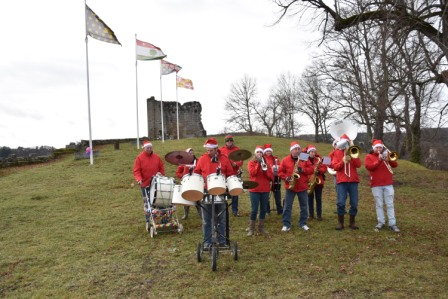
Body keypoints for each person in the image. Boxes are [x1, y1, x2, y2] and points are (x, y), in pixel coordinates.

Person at [194, 137, 234, 247]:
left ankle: (222, 241)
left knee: (222, 219)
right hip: (207, 191)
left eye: (211, 150)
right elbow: (197, 173)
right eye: (207, 150)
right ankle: (207, 242)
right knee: (207, 219)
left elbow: (230, 173)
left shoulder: (224, 159)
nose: (209, 152)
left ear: (216, 149)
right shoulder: (202, 159)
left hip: (221, 191)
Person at [364, 139, 400, 232]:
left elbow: (395, 165)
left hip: (388, 183)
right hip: (376, 184)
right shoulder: (369, 156)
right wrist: (379, 161)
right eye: (377, 147)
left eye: (380, 147)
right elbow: (369, 167)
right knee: (379, 204)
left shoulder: (386, 155)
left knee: (390, 204)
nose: (379, 149)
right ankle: (381, 222)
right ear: (374, 148)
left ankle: (392, 224)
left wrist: (389, 159)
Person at [278, 141, 314, 232]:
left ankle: (303, 223)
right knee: (287, 206)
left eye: (298, 149)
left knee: (304, 206)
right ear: (291, 150)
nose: (297, 150)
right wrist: (286, 178)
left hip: (302, 186)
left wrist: (303, 169)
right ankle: (286, 224)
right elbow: (280, 172)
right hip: (290, 186)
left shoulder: (305, 158)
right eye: (295, 149)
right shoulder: (285, 160)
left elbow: (311, 169)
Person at [331, 134, 361, 230]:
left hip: (353, 180)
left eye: (347, 142)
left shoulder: (353, 151)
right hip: (342, 180)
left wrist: (352, 155)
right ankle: (340, 223)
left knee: (354, 202)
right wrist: (342, 162)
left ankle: (352, 222)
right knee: (341, 202)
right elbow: (335, 167)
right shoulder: (336, 152)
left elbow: (359, 165)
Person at [133, 140, 165, 232]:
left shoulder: (157, 157)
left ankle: (163, 219)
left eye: (150, 147)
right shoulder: (139, 158)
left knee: (160, 202)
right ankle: (149, 220)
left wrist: (161, 175)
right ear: (144, 148)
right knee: (148, 203)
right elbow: (136, 171)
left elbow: (161, 168)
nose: (149, 149)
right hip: (145, 184)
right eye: (147, 148)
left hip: (156, 184)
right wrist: (139, 179)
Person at [247, 146, 274, 236]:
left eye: (261, 152)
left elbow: (271, 177)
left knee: (263, 209)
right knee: (254, 209)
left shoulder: (267, 163)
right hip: (254, 189)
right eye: (257, 152)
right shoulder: (251, 163)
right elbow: (252, 173)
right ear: (255, 153)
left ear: (263, 154)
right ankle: (251, 228)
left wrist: (265, 170)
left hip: (265, 189)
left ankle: (261, 227)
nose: (259, 153)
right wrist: (258, 165)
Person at [219, 135, 243, 216]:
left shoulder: (237, 149)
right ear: (225, 142)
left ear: (232, 141)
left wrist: (236, 164)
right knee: (222, 191)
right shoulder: (221, 150)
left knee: (235, 192)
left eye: (230, 141)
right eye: (227, 141)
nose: (229, 142)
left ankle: (235, 210)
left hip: (234, 173)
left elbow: (241, 161)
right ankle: (222, 209)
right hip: (224, 174)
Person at [175, 148, 201, 220]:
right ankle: (186, 214)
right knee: (186, 198)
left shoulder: (198, 161)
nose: (191, 154)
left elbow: (201, 170)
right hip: (186, 182)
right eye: (189, 153)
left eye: (192, 153)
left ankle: (201, 213)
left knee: (197, 198)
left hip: (195, 182)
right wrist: (183, 176)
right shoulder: (183, 163)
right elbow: (178, 173)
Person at [306, 145, 327, 221]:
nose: (313, 153)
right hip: (309, 181)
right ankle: (310, 215)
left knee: (318, 199)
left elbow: (325, 167)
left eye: (314, 152)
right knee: (309, 199)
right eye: (311, 152)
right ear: (308, 152)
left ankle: (319, 215)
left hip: (319, 182)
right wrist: (312, 170)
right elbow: (304, 168)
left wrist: (319, 171)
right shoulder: (305, 159)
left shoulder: (319, 159)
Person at [263, 143, 283, 215]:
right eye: (267, 151)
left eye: (270, 151)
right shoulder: (263, 159)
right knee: (266, 195)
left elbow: (280, 166)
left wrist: (277, 167)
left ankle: (279, 209)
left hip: (275, 178)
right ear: (265, 152)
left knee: (277, 194)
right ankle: (267, 210)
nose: (269, 152)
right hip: (267, 179)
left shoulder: (275, 158)